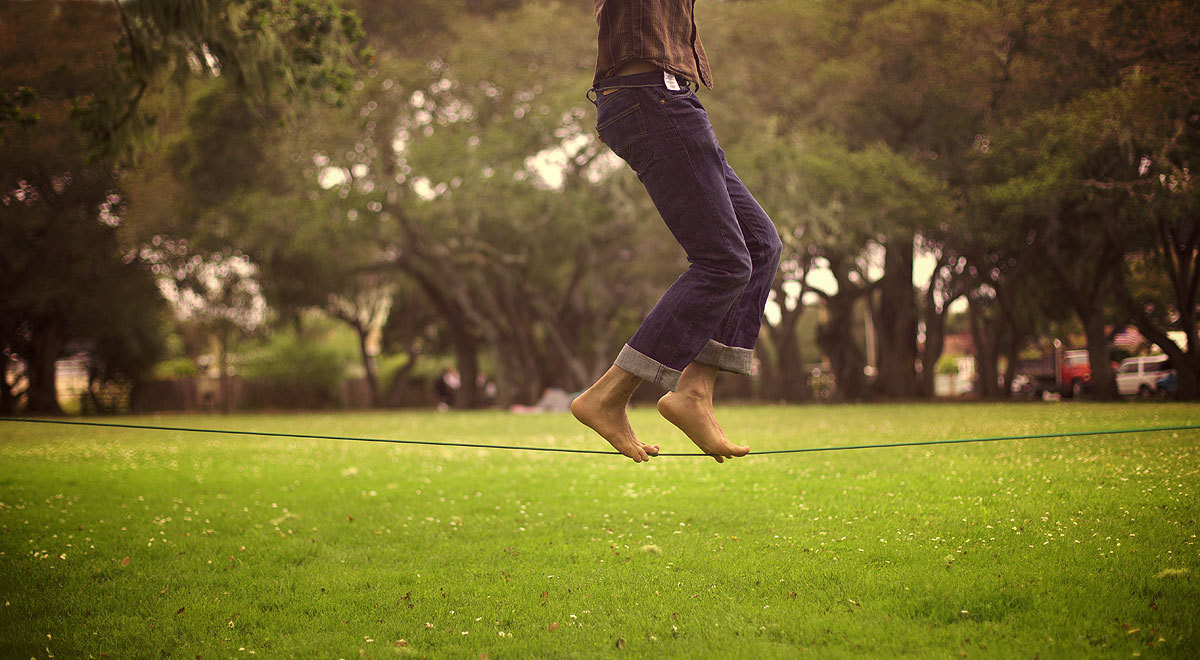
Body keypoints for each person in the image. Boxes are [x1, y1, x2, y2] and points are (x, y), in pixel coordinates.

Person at [571, 0, 783, 463]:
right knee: (723, 261)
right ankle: (607, 394)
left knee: (759, 245)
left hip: (669, 97)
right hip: (650, 98)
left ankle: (694, 393)